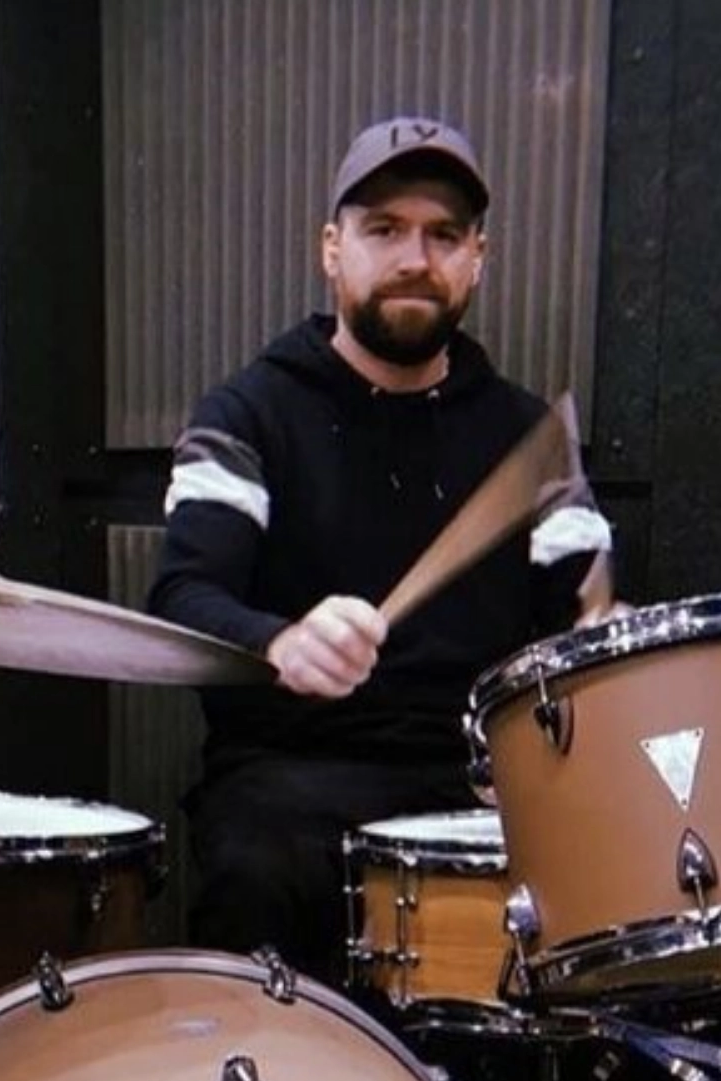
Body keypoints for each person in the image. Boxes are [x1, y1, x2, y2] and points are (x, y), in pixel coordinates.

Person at [146, 115, 623, 989]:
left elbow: (583, 623)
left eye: (444, 235)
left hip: (471, 785)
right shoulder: (247, 415)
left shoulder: (529, 442)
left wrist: (610, 631)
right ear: (333, 250)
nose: (416, 258)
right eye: (385, 230)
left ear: (478, 256)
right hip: (291, 775)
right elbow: (182, 597)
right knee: (256, 864)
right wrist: (280, 642)